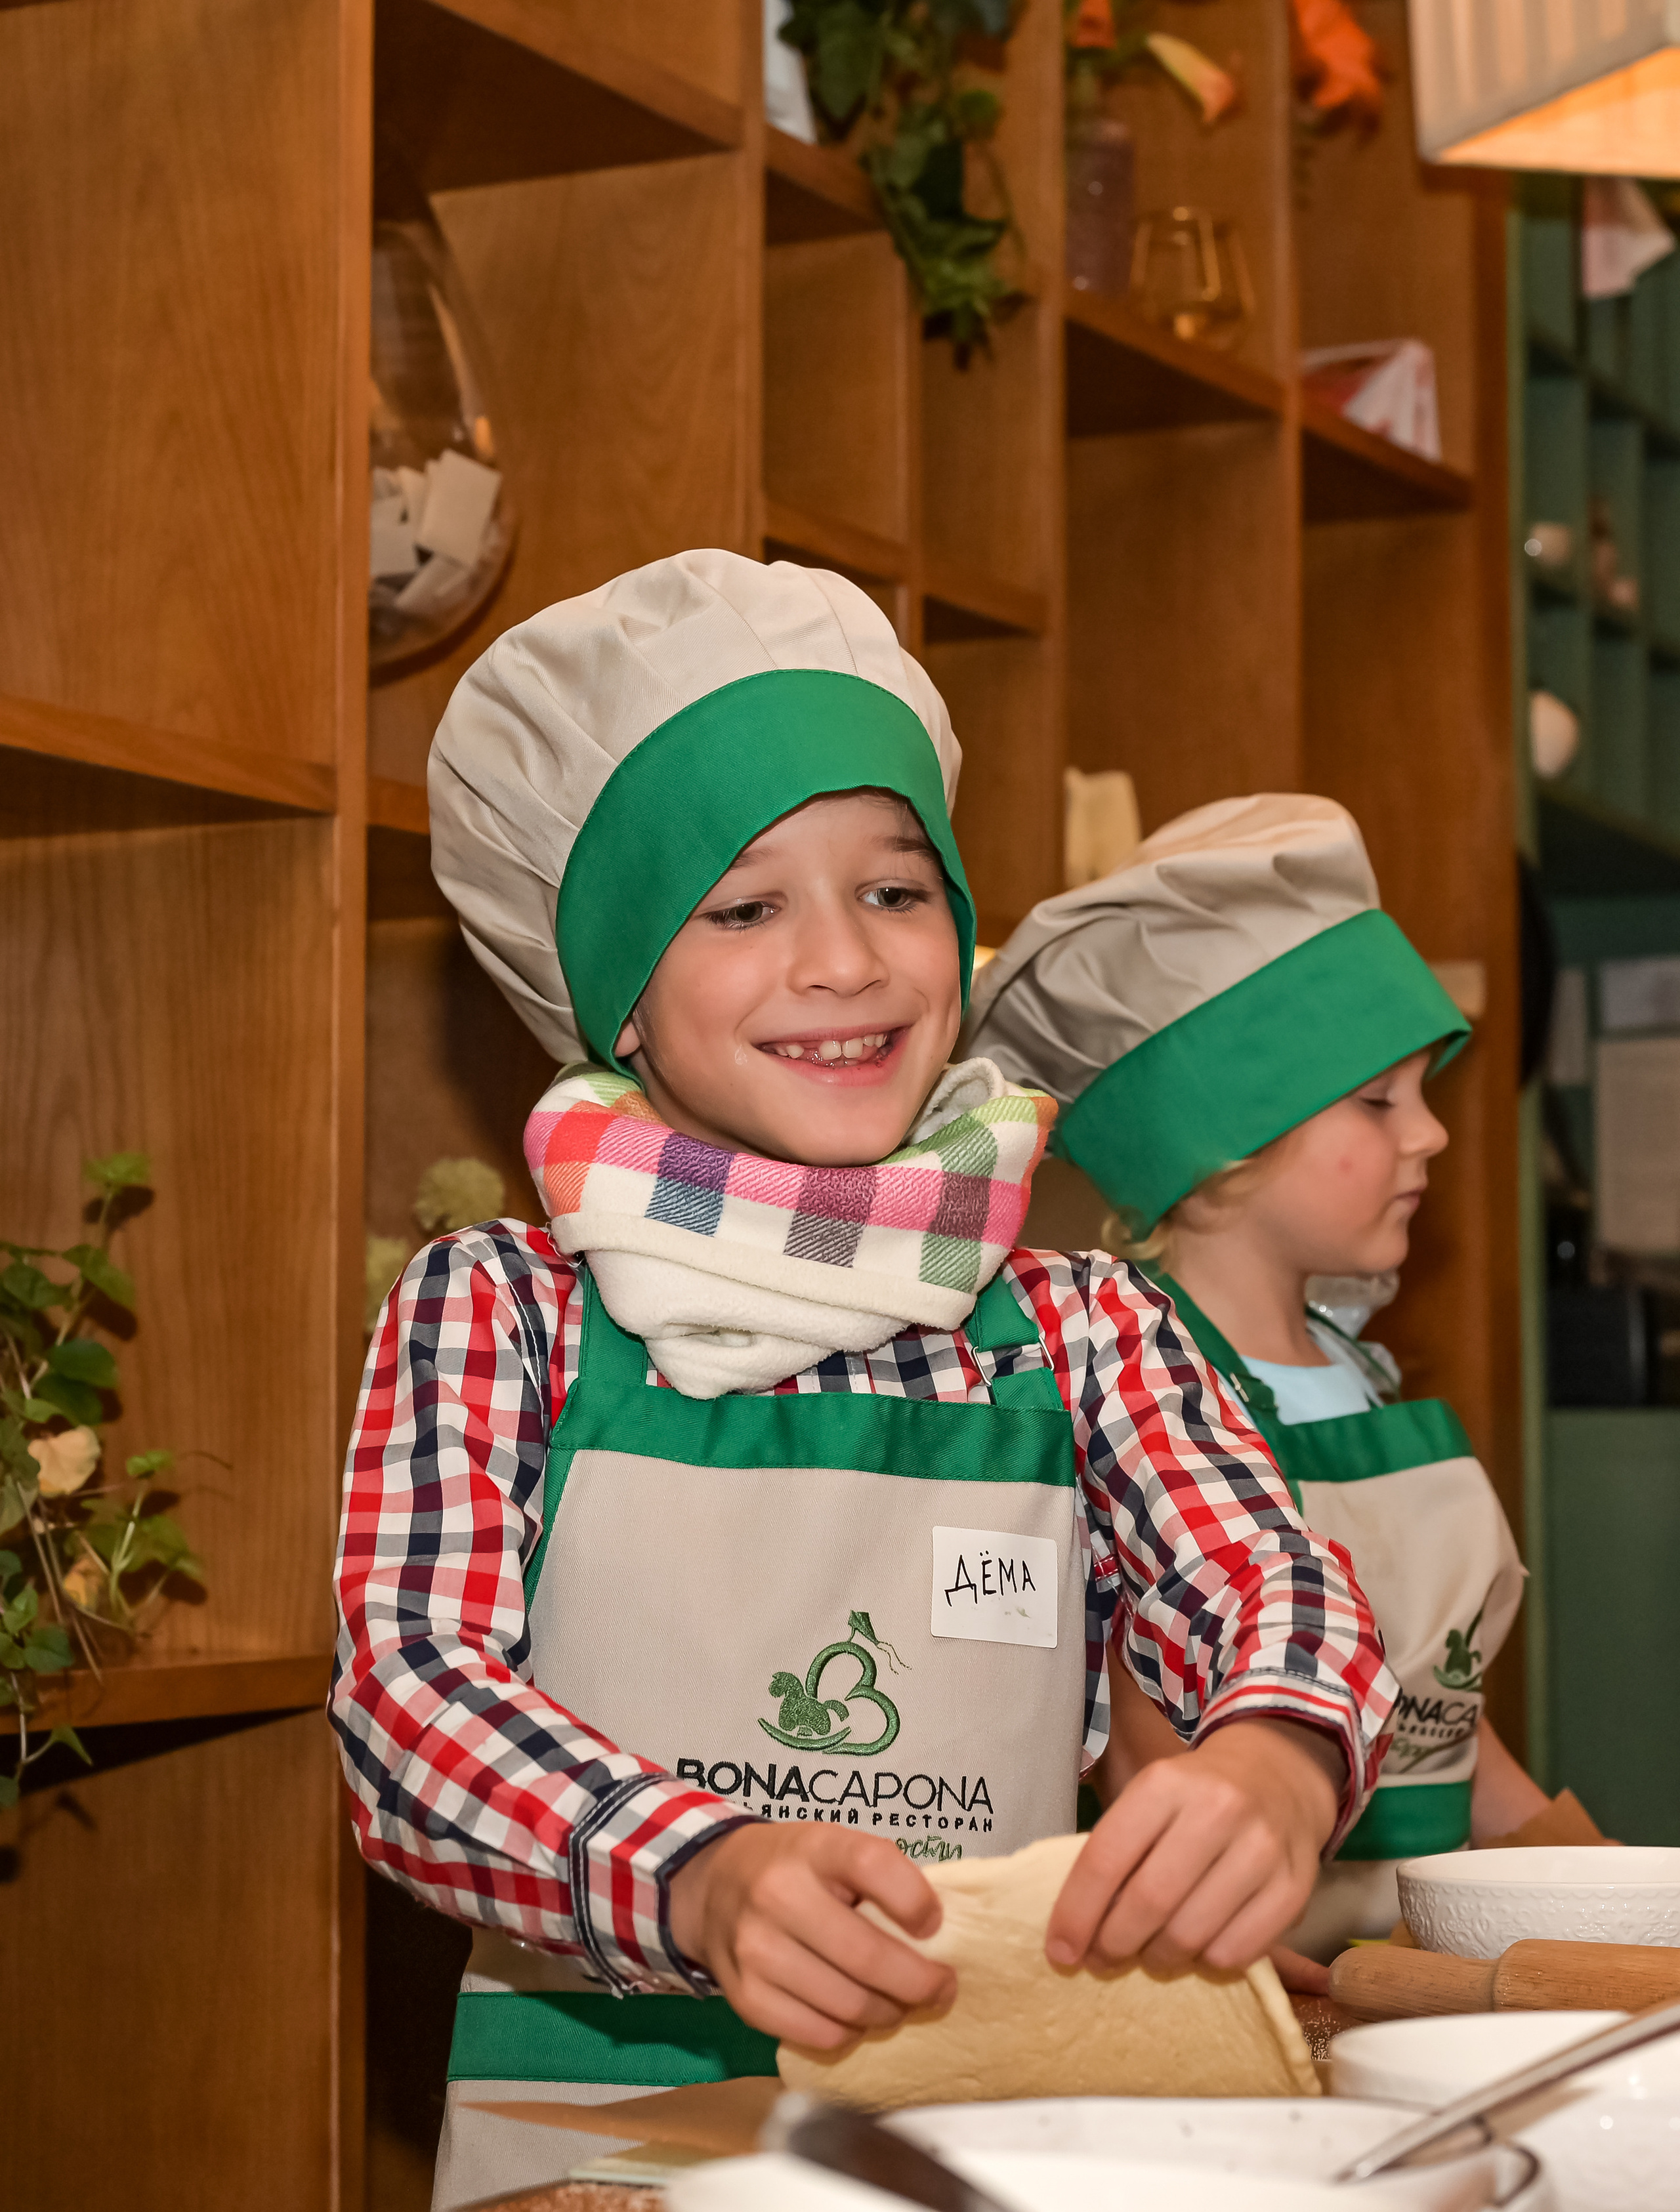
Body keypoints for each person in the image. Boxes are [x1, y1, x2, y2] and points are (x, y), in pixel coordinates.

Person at [331, 560, 1396, 2209]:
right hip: (586, 2138)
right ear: (617, 996)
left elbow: (1267, 1578)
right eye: (742, 909)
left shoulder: (1081, 1328)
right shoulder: (502, 1313)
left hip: (984, 2129)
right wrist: (694, 1876)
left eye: (895, 890)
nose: (843, 962)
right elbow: (413, 1703)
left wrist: (1271, 1758)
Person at [963, 791, 1565, 1967]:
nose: (1432, 1134)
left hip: (1424, 1960)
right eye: (1378, 1101)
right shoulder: (1135, 1398)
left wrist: (1611, 1895)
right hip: (1267, 1965)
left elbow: (1446, 1728)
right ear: (1222, 1148)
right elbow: (1145, 1763)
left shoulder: (1361, 1374)